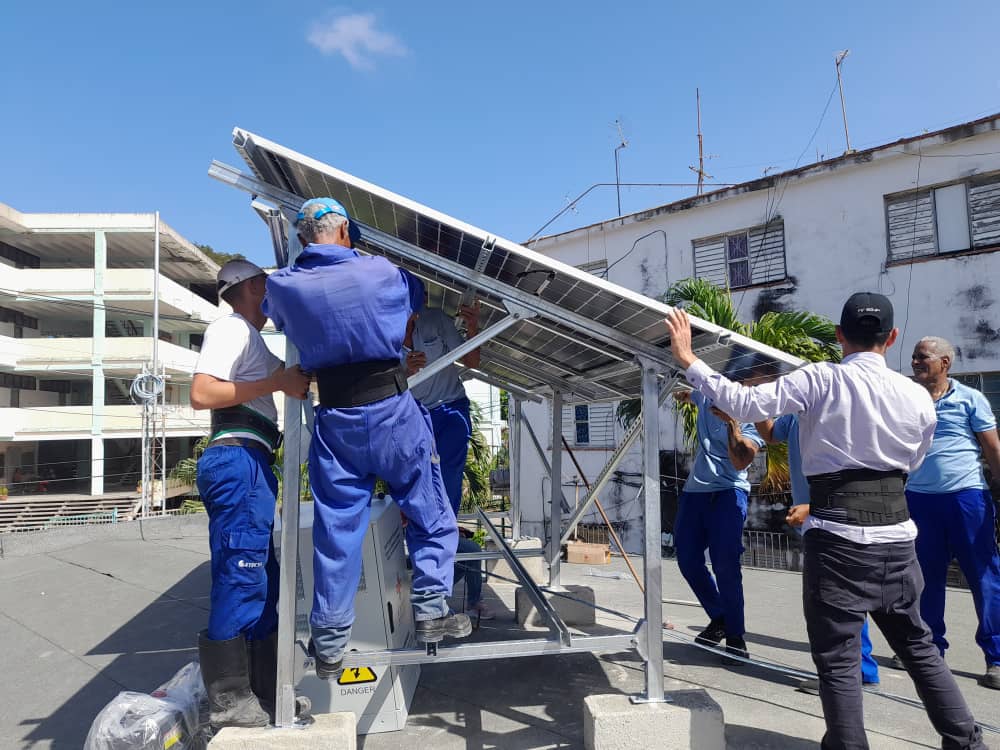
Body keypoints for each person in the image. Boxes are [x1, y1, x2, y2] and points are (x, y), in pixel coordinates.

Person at [665, 292, 986, 750]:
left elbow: (745, 401)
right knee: (919, 648)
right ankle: (966, 741)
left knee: (838, 659)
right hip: (896, 537)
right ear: (891, 338)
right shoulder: (917, 397)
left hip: (837, 539)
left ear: (839, 336)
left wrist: (688, 357)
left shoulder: (819, 379)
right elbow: (913, 463)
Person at [263, 197, 471, 681]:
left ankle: (331, 645)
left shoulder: (284, 284)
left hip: (336, 419)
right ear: (345, 233)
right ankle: (431, 611)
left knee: (337, 532)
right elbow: (416, 295)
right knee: (430, 511)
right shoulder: (381, 272)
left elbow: (276, 313)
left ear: (301, 239)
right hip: (392, 410)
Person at [190, 260, 311, 728]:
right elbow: (201, 393)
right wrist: (275, 383)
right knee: (241, 571)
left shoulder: (253, 338)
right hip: (236, 459)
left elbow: (300, 381)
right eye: (268, 286)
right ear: (252, 288)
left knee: (263, 578)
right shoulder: (231, 328)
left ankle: (263, 690)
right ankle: (229, 699)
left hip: (254, 461)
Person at [901, 335, 1000, 690]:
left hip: (967, 499)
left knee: (985, 577)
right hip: (919, 501)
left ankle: (997, 657)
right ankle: (930, 652)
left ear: (945, 363)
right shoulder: (906, 399)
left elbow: (993, 449)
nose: (915, 362)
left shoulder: (970, 399)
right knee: (924, 580)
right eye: (913, 356)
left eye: (922, 357)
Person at [755, 413, 880, 693]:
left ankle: (849, 673)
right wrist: (758, 409)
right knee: (833, 597)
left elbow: (855, 472)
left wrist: (814, 509)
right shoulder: (796, 414)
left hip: (836, 518)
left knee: (837, 598)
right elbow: (771, 434)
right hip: (812, 520)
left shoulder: (839, 413)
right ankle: (858, 669)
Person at [403, 278, 494, 621]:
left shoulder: (437, 321)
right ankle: (427, 559)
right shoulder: (382, 329)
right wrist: (403, 369)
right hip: (414, 415)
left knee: (448, 484)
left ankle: (443, 553)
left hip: (449, 407)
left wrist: (473, 327)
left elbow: (472, 362)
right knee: (417, 487)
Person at [673, 389, 764, 662]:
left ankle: (735, 636)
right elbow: (687, 394)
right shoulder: (706, 396)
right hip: (695, 492)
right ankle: (721, 618)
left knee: (725, 563)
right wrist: (679, 392)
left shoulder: (750, 419)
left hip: (729, 492)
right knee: (687, 559)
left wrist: (731, 423)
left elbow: (741, 460)